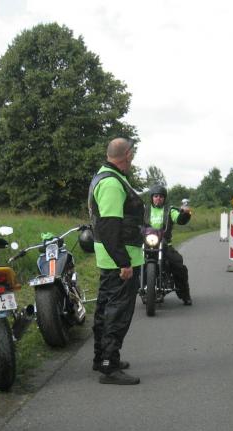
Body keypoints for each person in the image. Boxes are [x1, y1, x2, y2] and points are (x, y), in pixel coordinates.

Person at [87, 138, 144, 385]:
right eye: (133, 153)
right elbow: (109, 226)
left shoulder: (105, 176)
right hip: (120, 259)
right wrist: (124, 263)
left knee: (105, 310)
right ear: (127, 155)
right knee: (117, 314)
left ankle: (101, 359)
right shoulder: (111, 183)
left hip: (110, 257)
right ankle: (109, 366)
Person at [145, 184, 192, 305]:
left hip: (165, 244)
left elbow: (179, 219)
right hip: (147, 244)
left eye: (161, 196)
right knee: (130, 264)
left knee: (179, 266)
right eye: (156, 196)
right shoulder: (145, 210)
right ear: (152, 198)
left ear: (164, 198)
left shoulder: (170, 210)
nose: (158, 198)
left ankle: (185, 295)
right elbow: (135, 221)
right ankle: (133, 294)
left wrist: (185, 214)